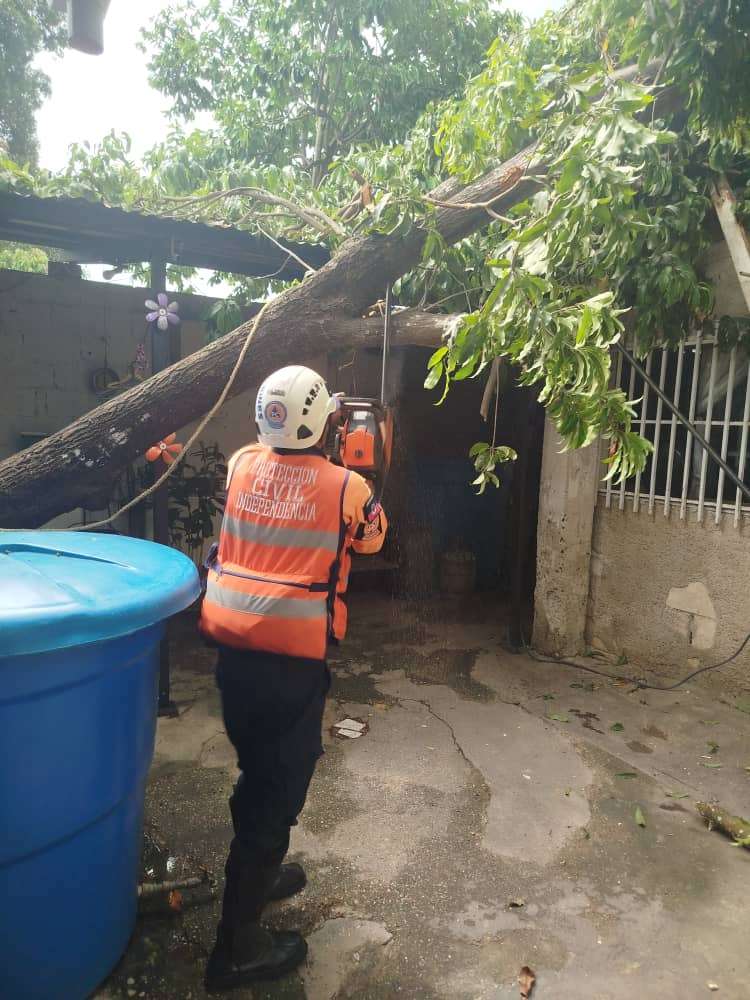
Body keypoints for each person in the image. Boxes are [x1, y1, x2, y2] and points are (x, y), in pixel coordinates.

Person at [199, 365, 387, 992]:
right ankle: (237, 948)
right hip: (289, 666)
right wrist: (364, 472)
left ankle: (260, 871)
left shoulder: (240, 465)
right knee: (277, 794)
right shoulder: (348, 487)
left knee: (257, 770)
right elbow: (372, 542)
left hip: (234, 657)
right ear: (327, 425)